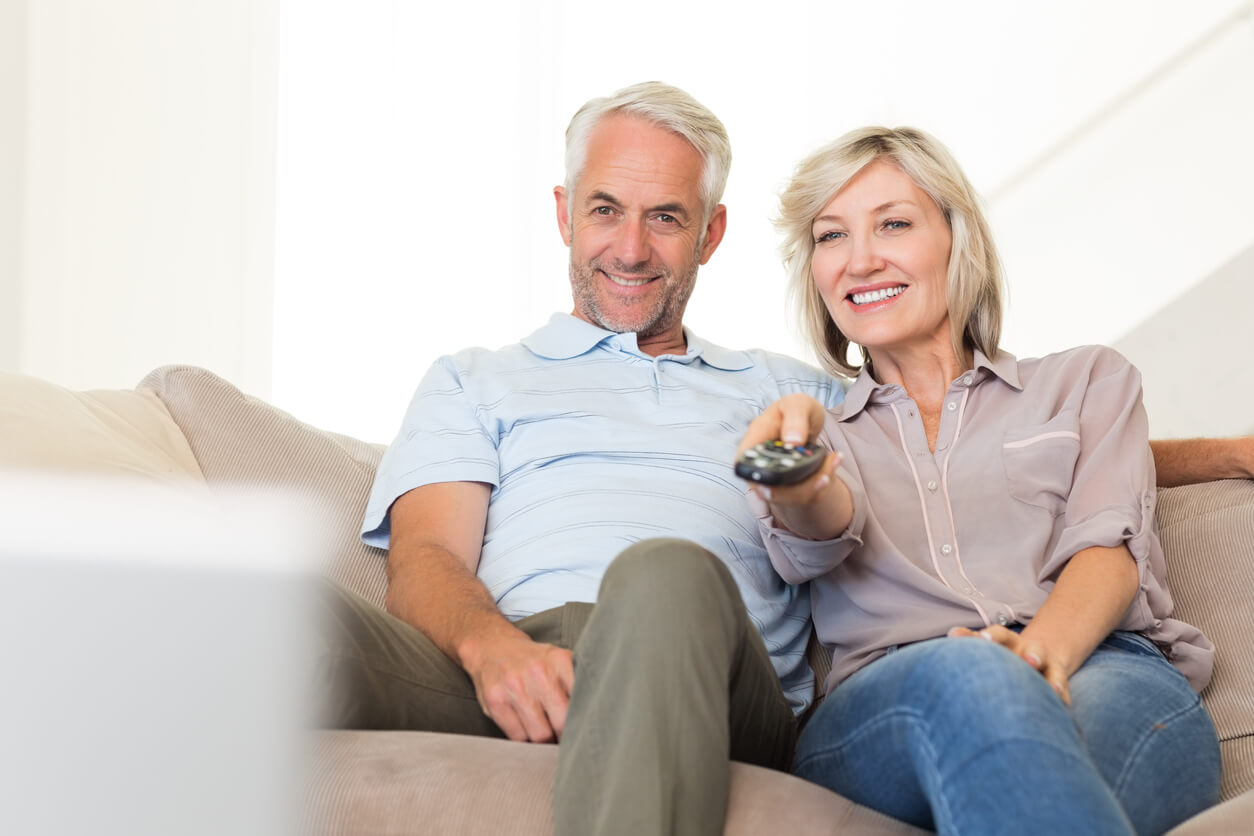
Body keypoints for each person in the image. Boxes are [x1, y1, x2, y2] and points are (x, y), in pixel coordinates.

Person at [320, 82, 1250, 835]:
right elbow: (427, 559)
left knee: (665, 576)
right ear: (565, 213)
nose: (631, 248)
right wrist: (496, 653)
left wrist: (1224, 452)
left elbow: (988, 446)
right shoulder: (477, 379)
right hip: (527, 651)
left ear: (712, 233)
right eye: (605, 209)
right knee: (278, 614)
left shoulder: (788, 394)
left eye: (668, 218)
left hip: (701, 652)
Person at [738, 126, 1223, 835]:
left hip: (1104, 668)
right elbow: (821, 521)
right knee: (972, 681)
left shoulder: (1086, 381)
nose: (860, 260)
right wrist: (797, 480)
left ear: (955, 237)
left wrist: (1028, 659)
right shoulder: (814, 432)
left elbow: (1107, 551)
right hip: (888, 701)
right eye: (831, 236)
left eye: (893, 224)